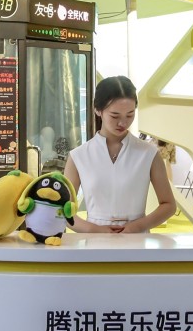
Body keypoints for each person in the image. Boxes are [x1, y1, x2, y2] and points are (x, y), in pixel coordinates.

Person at [64, 76, 175, 233]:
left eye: (130, 115)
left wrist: (136, 226)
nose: (123, 123)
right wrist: (95, 229)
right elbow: (64, 211)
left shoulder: (149, 153)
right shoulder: (78, 156)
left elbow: (168, 205)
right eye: (115, 116)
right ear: (98, 110)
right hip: (94, 241)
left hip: (137, 239)